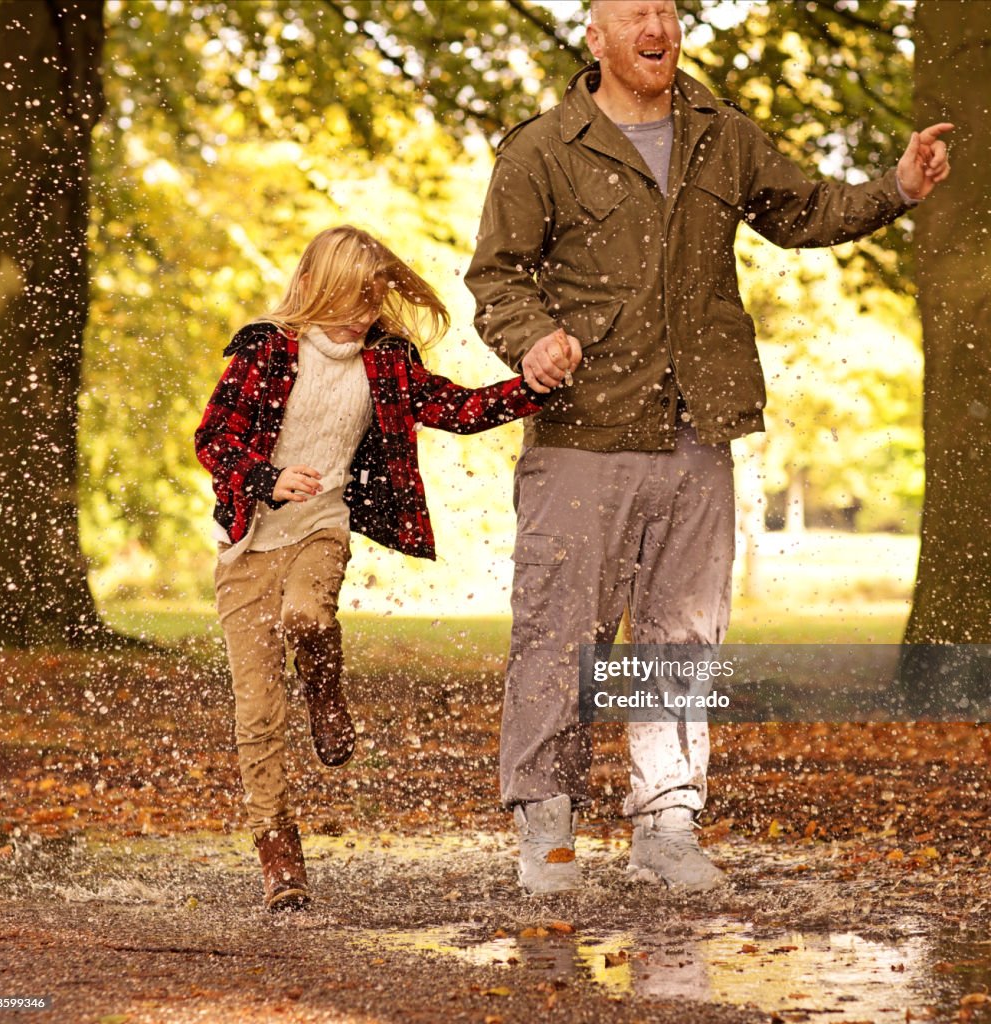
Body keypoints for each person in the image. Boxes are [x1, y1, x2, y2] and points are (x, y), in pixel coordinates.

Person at [465, 0, 951, 894]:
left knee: (679, 638)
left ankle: (667, 829)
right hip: (584, 433)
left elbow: (807, 210)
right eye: (636, 12)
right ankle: (548, 830)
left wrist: (899, 189)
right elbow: (496, 276)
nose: (659, 24)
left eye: (669, 9)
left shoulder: (721, 133)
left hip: (699, 427)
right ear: (597, 36)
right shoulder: (540, 149)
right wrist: (532, 340)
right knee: (558, 635)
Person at [195, 225, 544, 911]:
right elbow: (213, 439)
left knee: (307, 615)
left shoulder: (385, 359)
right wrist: (265, 477)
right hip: (247, 550)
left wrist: (526, 388)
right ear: (318, 287)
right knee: (258, 713)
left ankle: (324, 690)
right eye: (353, 297)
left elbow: (455, 407)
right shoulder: (266, 348)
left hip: (321, 529)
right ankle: (279, 854)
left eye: (375, 296)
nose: (365, 312)